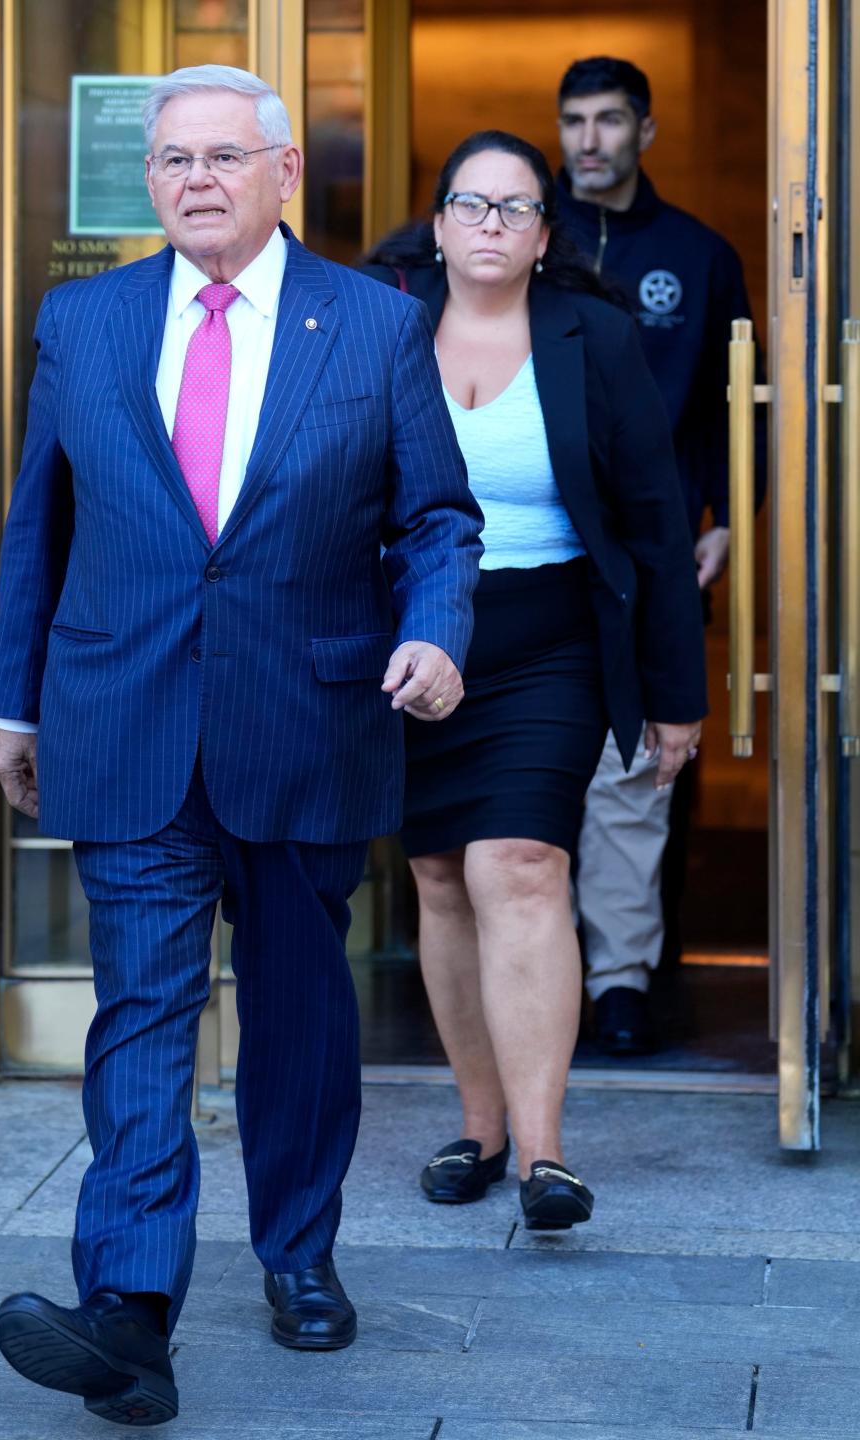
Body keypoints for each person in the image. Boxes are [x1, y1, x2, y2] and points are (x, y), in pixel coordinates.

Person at [0, 64, 483, 1427]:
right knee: (140, 1012)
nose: (194, 180)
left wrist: (437, 631)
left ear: (280, 172)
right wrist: (13, 705)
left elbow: (437, 517)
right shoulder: (82, 321)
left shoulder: (374, 324)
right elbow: (43, 526)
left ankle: (298, 1250)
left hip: (307, 720)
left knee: (301, 1013)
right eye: (170, 162)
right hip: (125, 715)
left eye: (220, 156)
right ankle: (130, 1313)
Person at [361, 130, 706, 1230]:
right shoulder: (383, 325)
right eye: (474, 204)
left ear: (545, 233)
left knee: (520, 864)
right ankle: (480, 1125)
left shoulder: (592, 336)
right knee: (441, 882)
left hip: (549, 636)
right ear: (442, 222)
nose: (494, 225)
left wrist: (676, 695)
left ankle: (544, 1155)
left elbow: (656, 522)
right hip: (418, 639)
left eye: (518, 209)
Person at [556, 56, 765, 1054]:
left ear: (645, 132)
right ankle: (555, 964)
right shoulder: (527, 236)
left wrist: (730, 516)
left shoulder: (701, 251)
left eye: (607, 121)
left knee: (648, 766)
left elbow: (742, 401)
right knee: (545, 764)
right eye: (573, 122)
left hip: (664, 553)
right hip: (542, 548)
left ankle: (629, 976)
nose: (588, 140)